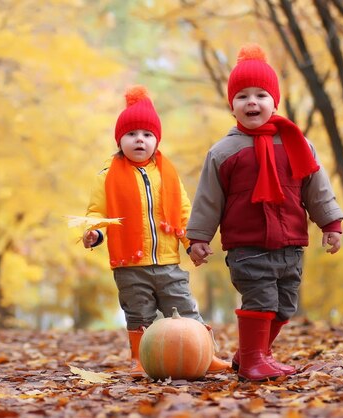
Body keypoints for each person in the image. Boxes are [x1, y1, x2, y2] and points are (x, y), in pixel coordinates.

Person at [186, 44, 343, 381]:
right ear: (232, 106)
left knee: (285, 306)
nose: (252, 102)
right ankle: (255, 360)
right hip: (248, 245)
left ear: (275, 101)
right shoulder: (224, 151)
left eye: (261, 95)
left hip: (289, 243)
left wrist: (330, 223)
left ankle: (249, 355)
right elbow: (208, 199)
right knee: (261, 301)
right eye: (242, 96)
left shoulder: (296, 143)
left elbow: (316, 188)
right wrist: (198, 237)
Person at [82, 85, 231, 377]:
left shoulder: (167, 174)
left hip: (167, 262)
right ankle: (141, 358)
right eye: (132, 134)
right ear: (120, 140)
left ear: (156, 141)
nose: (140, 140)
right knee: (139, 314)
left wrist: (193, 242)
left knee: (185, 309)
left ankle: (205, 354)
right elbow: (97, 212)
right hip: (129, 264)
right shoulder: (107, 176)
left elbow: (184, 212)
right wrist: (95, 233)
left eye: (147, 135)